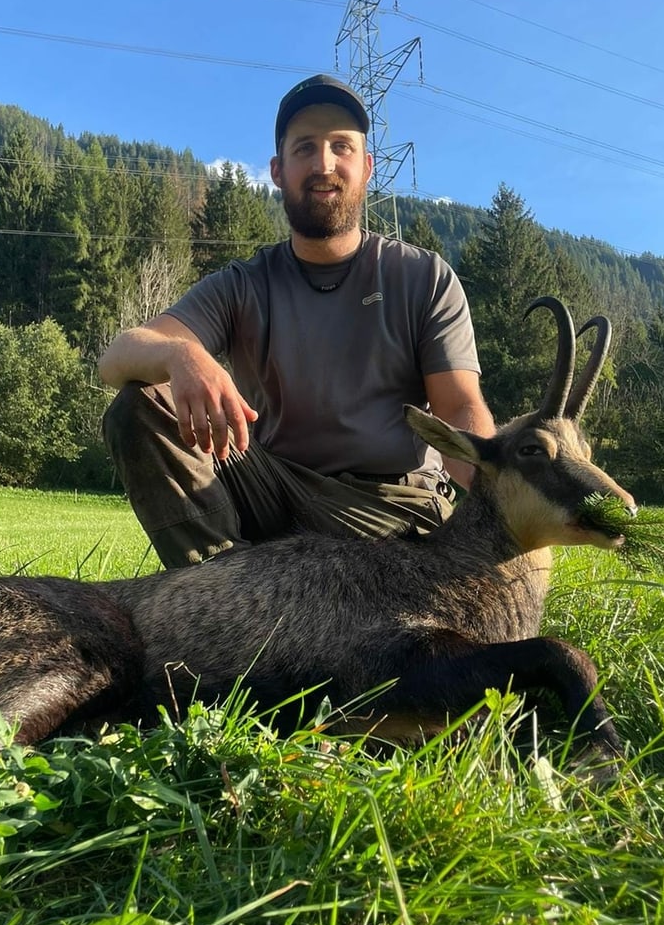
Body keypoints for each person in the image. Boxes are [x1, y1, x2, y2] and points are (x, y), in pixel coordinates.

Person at [99, 73, 495, 568]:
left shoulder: (423, 277)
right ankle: (223, 597)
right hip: (270, 487)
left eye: (341, 147)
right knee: (138, 406)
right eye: (304, 148)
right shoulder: (244, 284)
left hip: (387, 507)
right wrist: (183, 354)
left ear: (367, 166)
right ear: (277, 171)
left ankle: (250, 603)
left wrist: (501, 497)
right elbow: (117, 359)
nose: (324, 164)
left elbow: (459, 408)